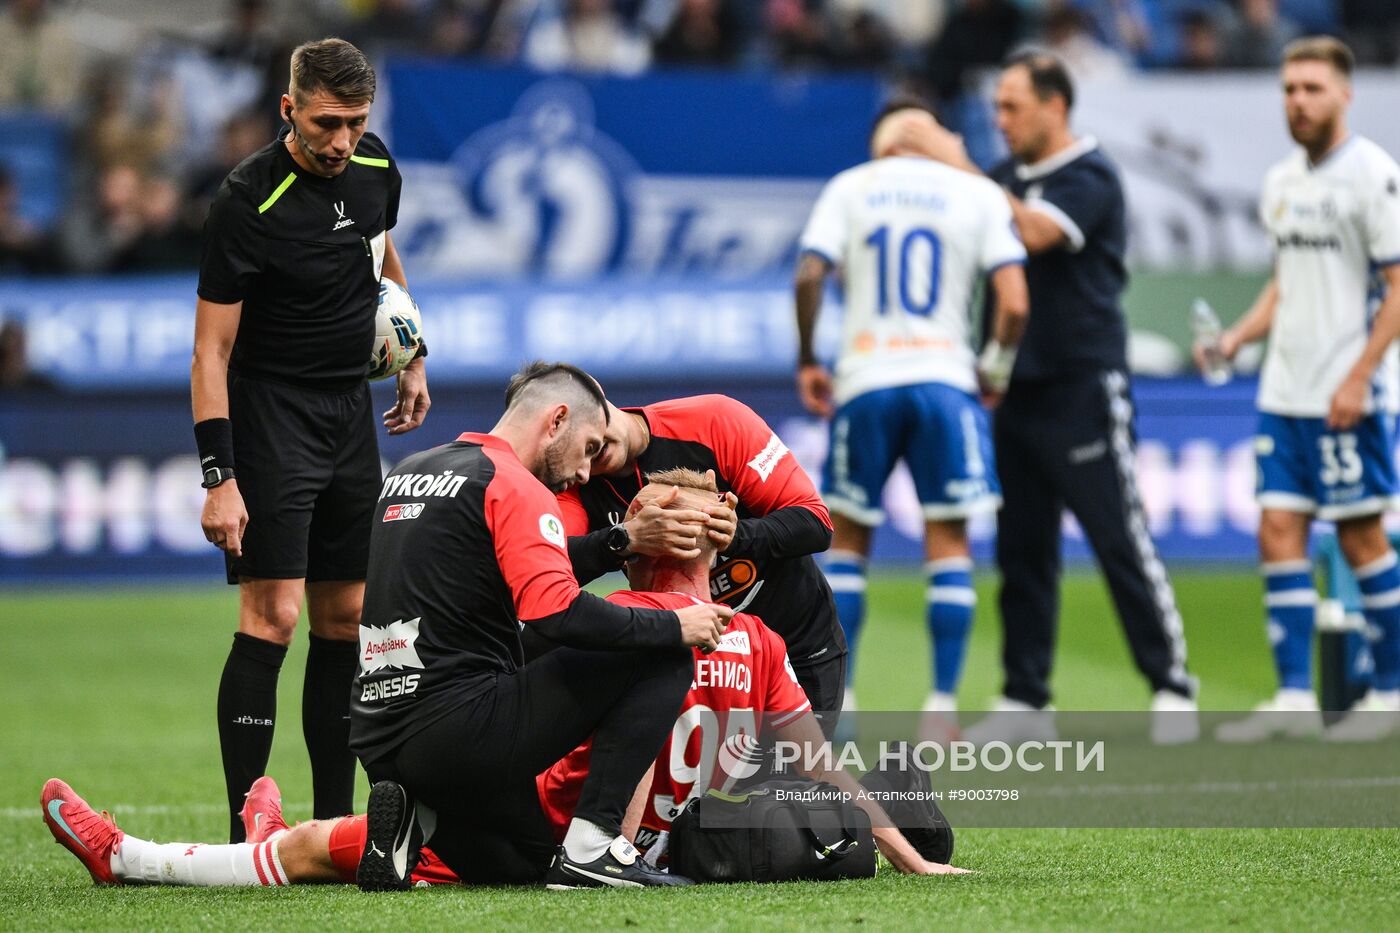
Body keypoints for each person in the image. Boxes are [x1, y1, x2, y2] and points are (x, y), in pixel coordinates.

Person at [41, 470, 964, 888]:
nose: (632, 517)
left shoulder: (620, 624)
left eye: (641, 514)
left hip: (536, 828)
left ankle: (131, 858)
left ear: (649, 540)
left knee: (341, 846)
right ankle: (253, 836)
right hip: (619, 843)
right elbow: (817, 765)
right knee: (340, 844)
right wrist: (906, 853)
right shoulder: (756, 639)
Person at [899, 52, 1198, 743]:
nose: (999, 120)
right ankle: (1026, 700)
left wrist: (957, 161)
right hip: (1015, 390)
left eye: (1012, 107)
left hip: (1084, 384)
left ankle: (1173, 684)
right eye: (997, 107)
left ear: (1055, 107)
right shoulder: (1002, 179)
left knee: (1118, 536)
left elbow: (1031, 232)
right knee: (1021, 549)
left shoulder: (1090, 175)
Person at [348, 361, 733, 890]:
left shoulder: (413, 469)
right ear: (556, 421)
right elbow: (556, 610)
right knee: (661, 649)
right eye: (591, 447)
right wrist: (674, 626)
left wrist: (619, 542)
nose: (585, 472)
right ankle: (596, 843)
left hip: (380, 738)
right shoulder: (515, 486)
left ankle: (418, 815)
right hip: (459, 733)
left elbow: (503, 573)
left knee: (528, 872)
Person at [191, 38, 430, 842]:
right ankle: (241, 830)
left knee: (348, 615)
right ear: (289, 108)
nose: (342, 141)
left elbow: (380, 250)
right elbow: (209, 351)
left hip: (346, 413)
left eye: (356, 123)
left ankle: (331, 820)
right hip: (270, 414)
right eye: (327, 123)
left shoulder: (374, 168)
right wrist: (219, 477)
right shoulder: (245, 200)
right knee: (275, 613)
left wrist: (411, 350)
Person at [793, 100, 1029, 730]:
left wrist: (809, 357)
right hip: (945, 380)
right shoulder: (974, 194)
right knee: (947, 541)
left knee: (847, 541)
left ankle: (842, 704)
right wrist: (995, 368)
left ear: (883, 146)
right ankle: (943, 706)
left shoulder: (852, 186)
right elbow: (1014, 302)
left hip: (867, 378)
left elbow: (809, 273)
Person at [1206, 37, 1400, 743]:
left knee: (1360, 535)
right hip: (1283, 390)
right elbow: (1285, 284)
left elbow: (1398, 291)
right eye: (1290, 89)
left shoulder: (1374, 176)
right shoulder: (1282, 180)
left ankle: (1387, 694)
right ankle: (1292, 694)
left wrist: (1360, 376)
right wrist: (1236, 338)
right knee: (1278, 530)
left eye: (1313, 88)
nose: (1299, 101)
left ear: (1344, 93)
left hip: (1348, 392)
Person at [558, 395, 847, 734]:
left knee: (795, 781)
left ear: (600, 402)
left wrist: (737, 534)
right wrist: (624, 538)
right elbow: (548, 569)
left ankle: (889, 781)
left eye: (592, 436)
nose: (590, 454)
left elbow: (815, 522)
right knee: (680, 782)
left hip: (795, 641)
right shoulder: (574, 481)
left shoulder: (715, 421)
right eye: (577, 448)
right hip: (681, 661)